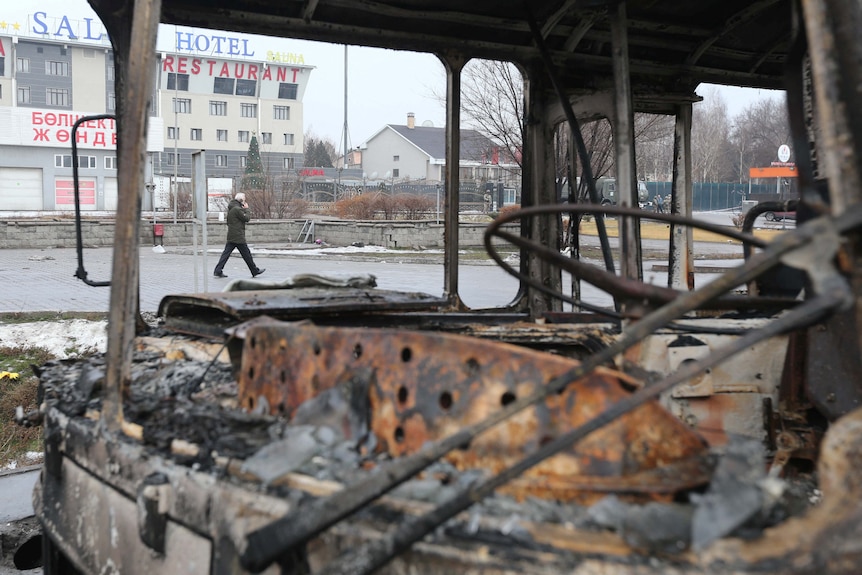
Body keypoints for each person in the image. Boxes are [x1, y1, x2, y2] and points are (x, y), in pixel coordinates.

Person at [213, 192, 265, 278]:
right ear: (241, 200)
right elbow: (246, 218)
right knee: (246, 254)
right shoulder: (237, 209)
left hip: (232, 235)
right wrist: (247, 209)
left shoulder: (232, 208)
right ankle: (254, 270)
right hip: (238, 236)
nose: (245, 201)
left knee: (226, 254)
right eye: (244, 200)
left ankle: (218, 270)